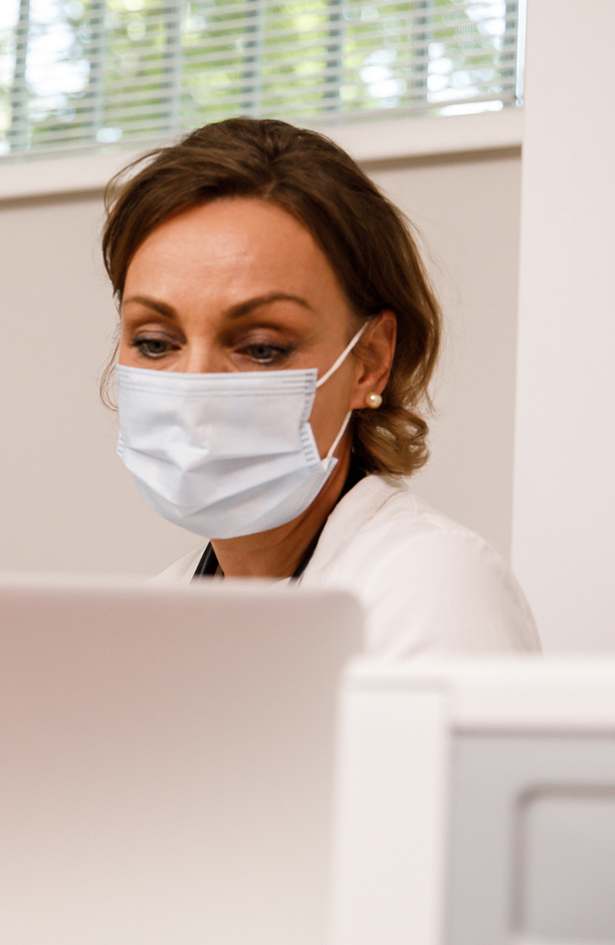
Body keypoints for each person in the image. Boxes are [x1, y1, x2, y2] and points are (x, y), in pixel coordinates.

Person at [106, 117, 537, 656]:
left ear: (370, 362)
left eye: (261, 347)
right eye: (154, 342)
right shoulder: (148, 617)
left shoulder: (430, 587)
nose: (196, 390)